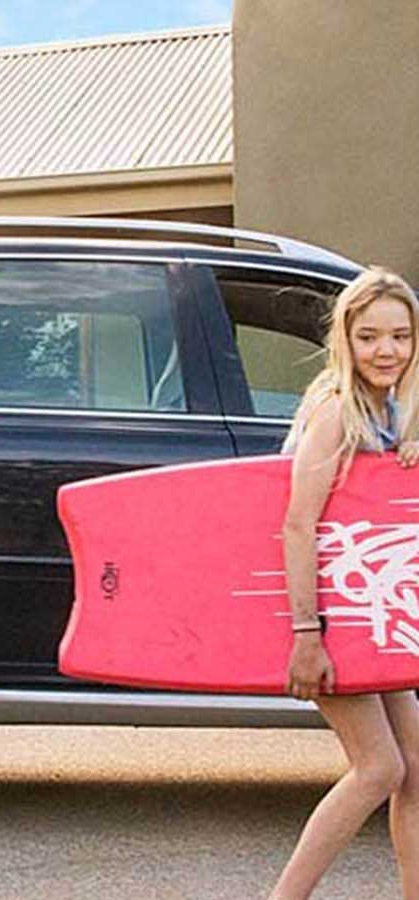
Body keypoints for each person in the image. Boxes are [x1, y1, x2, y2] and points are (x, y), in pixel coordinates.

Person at [270, 267, 419, 899]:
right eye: (369, 337)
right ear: (345, 341)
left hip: (370, 617)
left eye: (401, 337)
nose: (386, 351)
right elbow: (298, 524)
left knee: (416, 774)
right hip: (327, 616)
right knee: (380, 767)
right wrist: (308, 634)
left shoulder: (393, 412)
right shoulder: (336, 409)